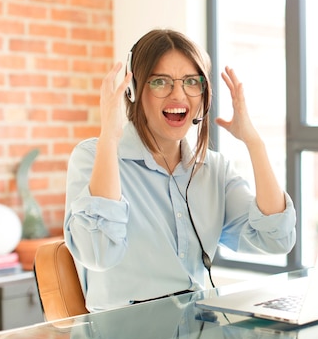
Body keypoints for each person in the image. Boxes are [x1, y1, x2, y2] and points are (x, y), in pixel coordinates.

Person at [64, 29, 296, 312]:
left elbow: (276, 239)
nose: (179, 94)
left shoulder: (213, 169)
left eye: (191, 82)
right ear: (134, 90)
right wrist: (109, 139)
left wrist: (254, 143)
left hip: (196, 336)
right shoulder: (93, 157)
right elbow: (98, 252)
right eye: (160, 82)